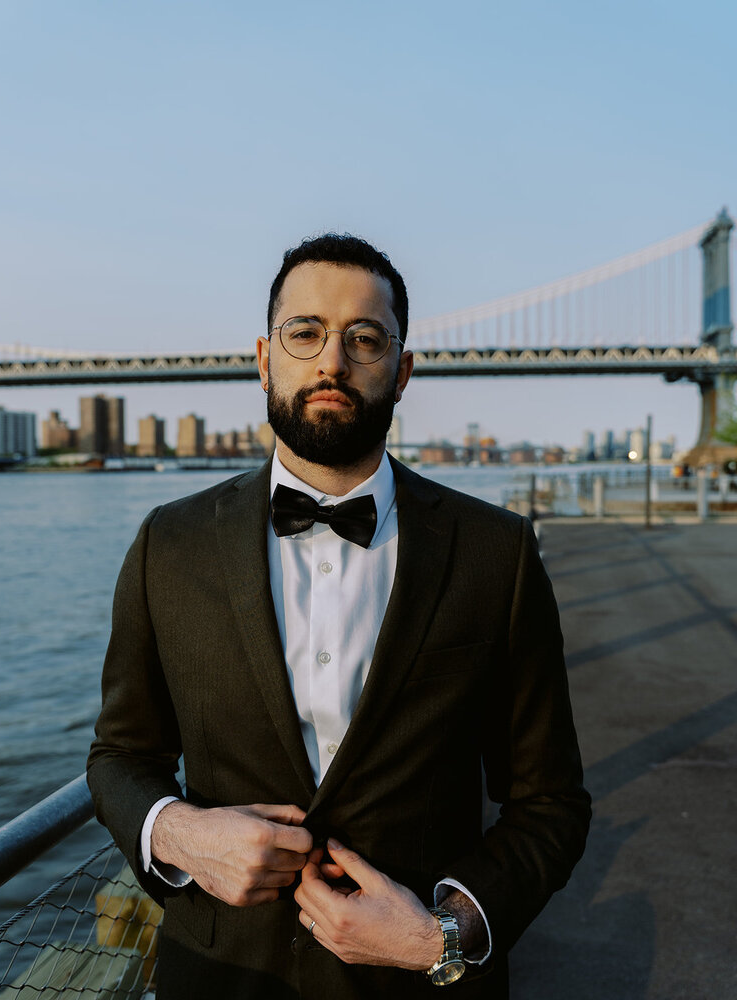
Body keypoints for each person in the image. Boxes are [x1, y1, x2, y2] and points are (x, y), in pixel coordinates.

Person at [87, 234, 591, 999]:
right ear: (263, 359)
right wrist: (180, 832)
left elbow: (551, 804)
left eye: (365, 338)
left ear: (404, 368)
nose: (332, 361)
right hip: (222, 977)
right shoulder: (169, 544)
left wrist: (443, 933)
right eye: (305, 333)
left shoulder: (499, 553)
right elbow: (120, 757)